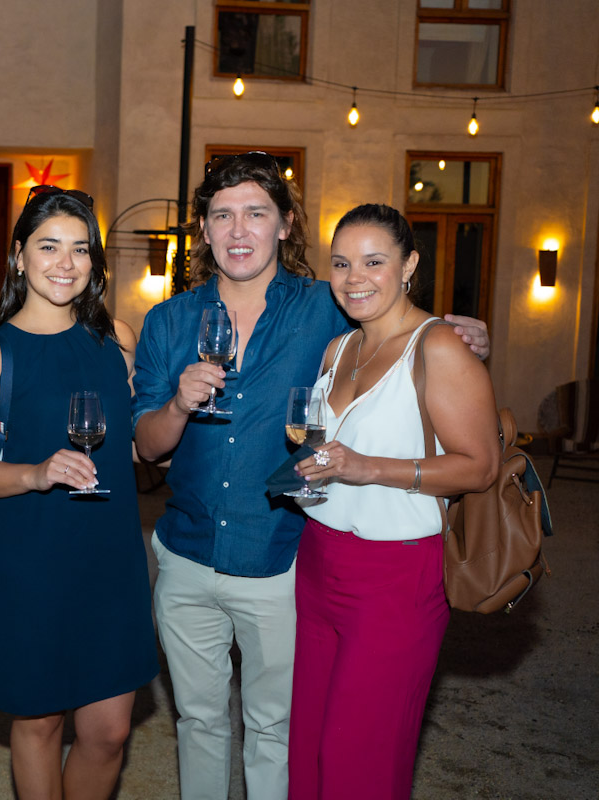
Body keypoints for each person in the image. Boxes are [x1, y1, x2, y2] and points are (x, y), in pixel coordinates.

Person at [130, 152, 492, 800]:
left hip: (281, 557)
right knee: (199, 721)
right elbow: (147, 450)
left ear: (285, 224)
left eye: (256, 213)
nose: (239, 230)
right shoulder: (167, 321)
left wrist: (459, 336)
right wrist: (179, 404)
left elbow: (394, 320)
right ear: (204, 229)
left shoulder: (327, 307)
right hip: (185, 555)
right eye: (222, 215)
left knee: (280, 728)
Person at [287, 204, 499, 799]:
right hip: (319, 562)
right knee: (310, 750)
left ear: (409, 266)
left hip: (396, 576)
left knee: (360, 758)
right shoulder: (337, 349)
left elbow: (480, 466)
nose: (355, 278)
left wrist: (368, 467)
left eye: (373, 262)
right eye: (341, 264)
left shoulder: (439, 347)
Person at [0, 187, 159, 799]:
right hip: (30, 557)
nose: (66, 263)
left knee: (109, 731)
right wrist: (35, 473)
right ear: (19, 256)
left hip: (110, 553)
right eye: (49, 247)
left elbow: (133, 446)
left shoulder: (117, 340)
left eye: (80, 249)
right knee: (39, 720)